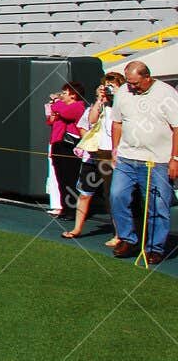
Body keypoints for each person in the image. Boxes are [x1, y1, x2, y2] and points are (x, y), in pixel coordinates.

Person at [108, 60, 178, 263]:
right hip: (127, 158)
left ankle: (154, 248)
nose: (132, 87)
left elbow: (177, 128)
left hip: (158, 161)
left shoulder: (167, 94)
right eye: (129, 82)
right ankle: (128, 238)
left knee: (157, 205)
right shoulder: (123, 92)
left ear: (147, 77)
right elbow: (117, 123)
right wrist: (115, 149)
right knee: (117, 196)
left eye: (135, 83)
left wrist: (175, 159)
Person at [63, 72, 124, 240]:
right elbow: (90, 120)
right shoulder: (101, 105)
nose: (109, 90)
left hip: (110, 155)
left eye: (113, 86)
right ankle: (77, 228)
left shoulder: (123, 106)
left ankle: (119, 234)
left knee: (111, 196)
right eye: (107, 86)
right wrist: (100, 100)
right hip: (93, 153)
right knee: (84, 193)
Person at [45, 82, 86, 218]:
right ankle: (65, 207)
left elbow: (64, 112)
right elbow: (51, 119)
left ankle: (72, 209)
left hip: (69, 146)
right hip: (57, 143)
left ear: (73, 95)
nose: (62, 96)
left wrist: (56, 102)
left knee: (70, 178)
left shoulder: (77, 106)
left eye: (65, 93)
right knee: (61, 179)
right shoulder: (64, 106)